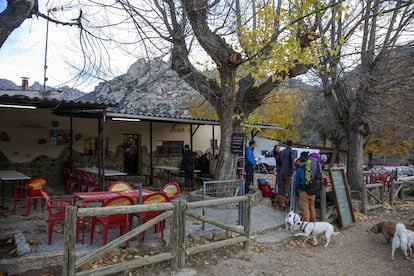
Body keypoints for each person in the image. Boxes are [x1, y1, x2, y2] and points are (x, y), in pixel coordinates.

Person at [295, 155, 316, 222]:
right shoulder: (311, 168)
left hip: (303, 191)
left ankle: (306, 225)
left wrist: (296, 193)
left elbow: (297, 182)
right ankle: (314, 224)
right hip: (312, 190)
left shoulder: (300, 169)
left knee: (305, 209)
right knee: (312, 208)